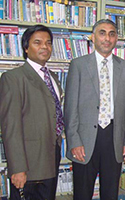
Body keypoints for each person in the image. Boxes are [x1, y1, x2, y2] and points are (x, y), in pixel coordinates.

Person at [64, 19, 125, 200]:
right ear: (93, 37)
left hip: (114, 137)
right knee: (82, 193)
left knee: (110, 193)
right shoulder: (78, 65)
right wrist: (74, 141)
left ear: (116, 39)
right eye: (102, 33)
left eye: (112, 34)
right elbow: (70, 106)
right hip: (85, 139)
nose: (107, 38)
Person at [0, 25, 63, 199]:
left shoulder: (54, 78)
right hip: (27, 163)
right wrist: (18, 167)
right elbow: (10, 127)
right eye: (38, 42)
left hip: (51, 158)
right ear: (26, 48)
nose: (45, 47)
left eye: (48, 43)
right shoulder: (13, 78)